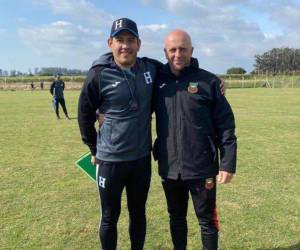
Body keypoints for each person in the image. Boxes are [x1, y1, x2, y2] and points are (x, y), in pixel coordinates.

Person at [78, 18, 225, 250]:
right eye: (119, 40)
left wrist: (212, 80)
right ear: (110, 43)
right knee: (109, 217)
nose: (125, 46)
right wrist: (93, 148)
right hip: (109, 160)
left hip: (141, 160)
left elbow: (178, 64)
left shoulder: (151, 68)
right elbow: (84, 114)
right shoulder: (98, 73)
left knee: (138, 214)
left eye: (130, 40)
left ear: (139, 43)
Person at [152, 30, 237, 250]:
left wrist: (227, 163)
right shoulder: (156, 81)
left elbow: (226, 126)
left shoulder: (208, 81)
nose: (177, 54)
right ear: (165, 52)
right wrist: (103, 111)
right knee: (176, 219)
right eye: (172, 49)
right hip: (169, 167)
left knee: (207, 222)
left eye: (182, 48)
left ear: (192, 50)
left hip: (202, 167)